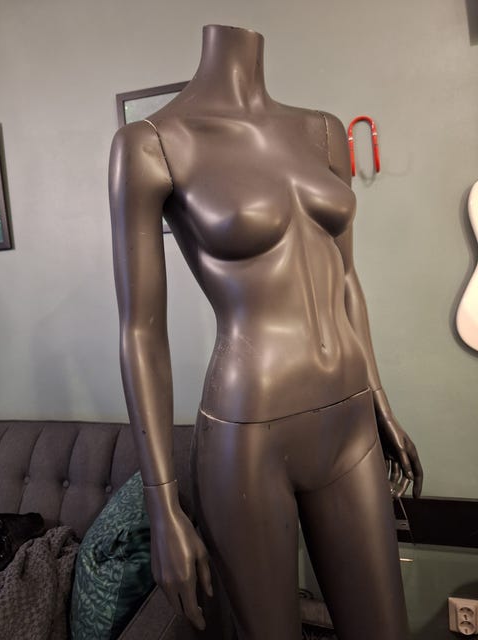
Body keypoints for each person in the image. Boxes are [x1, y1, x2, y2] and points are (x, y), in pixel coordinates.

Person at [109, 24, 423, 640]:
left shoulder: (323, 131)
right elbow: (141, 333)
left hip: (350, 418)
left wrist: (380, 400)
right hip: (248, 436)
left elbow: (347, 279)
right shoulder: (152, 144)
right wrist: (161, 502)